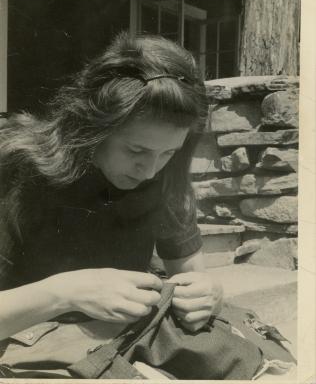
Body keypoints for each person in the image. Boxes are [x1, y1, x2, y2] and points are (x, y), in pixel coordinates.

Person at [0, 32, 222, 344]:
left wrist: (209, 293)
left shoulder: (166, 177)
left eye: (168, 153)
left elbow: (193, 277)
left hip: (111, 356)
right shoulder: (19, 169)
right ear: (94, 127)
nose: (149, 171)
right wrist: (66, 294)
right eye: (136, 151)